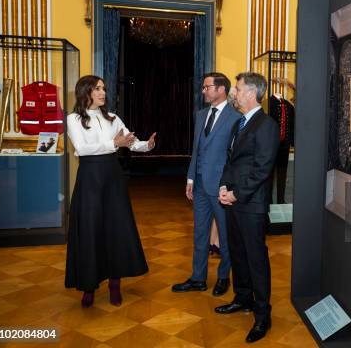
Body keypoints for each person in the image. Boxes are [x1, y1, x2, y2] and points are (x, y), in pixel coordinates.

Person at [65, 75, 156, 308]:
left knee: (116, 230)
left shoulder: (113, 117)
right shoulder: (73, 119)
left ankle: (115, 284)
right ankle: (89, 286)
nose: (103, 93)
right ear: (85, 91)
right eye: (97, 89)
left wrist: (145, 145)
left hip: (113, 178)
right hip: (90, 179)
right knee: (90, 229)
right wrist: (114, 144)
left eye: (104, 88)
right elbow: (83, 149)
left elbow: (129, 142)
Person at [216, 72, 280, 343]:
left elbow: (262, 168)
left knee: (255, 258)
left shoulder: (266, 125)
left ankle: (263, 315)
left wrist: (236, 194)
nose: (235, 93)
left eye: (239, 89)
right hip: (232, 200)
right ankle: (243, 298)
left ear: (252, 93)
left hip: (250, 204)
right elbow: (231, 162)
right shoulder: (239, 123)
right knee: (238, 253)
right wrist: (223, 187)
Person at [172, 72, 241, 296]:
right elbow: (197, 149)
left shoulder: (236, 118)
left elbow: (234, 158)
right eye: (203, 87)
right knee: (200, 233)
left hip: (221, 187)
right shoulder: (201, 115)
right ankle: (198, 278)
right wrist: (191, 178)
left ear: (221, 89)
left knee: (225, 235)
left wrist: (229, 186)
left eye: (207, 87)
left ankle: (223, 277)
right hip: (200, 185)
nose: (203, 91)